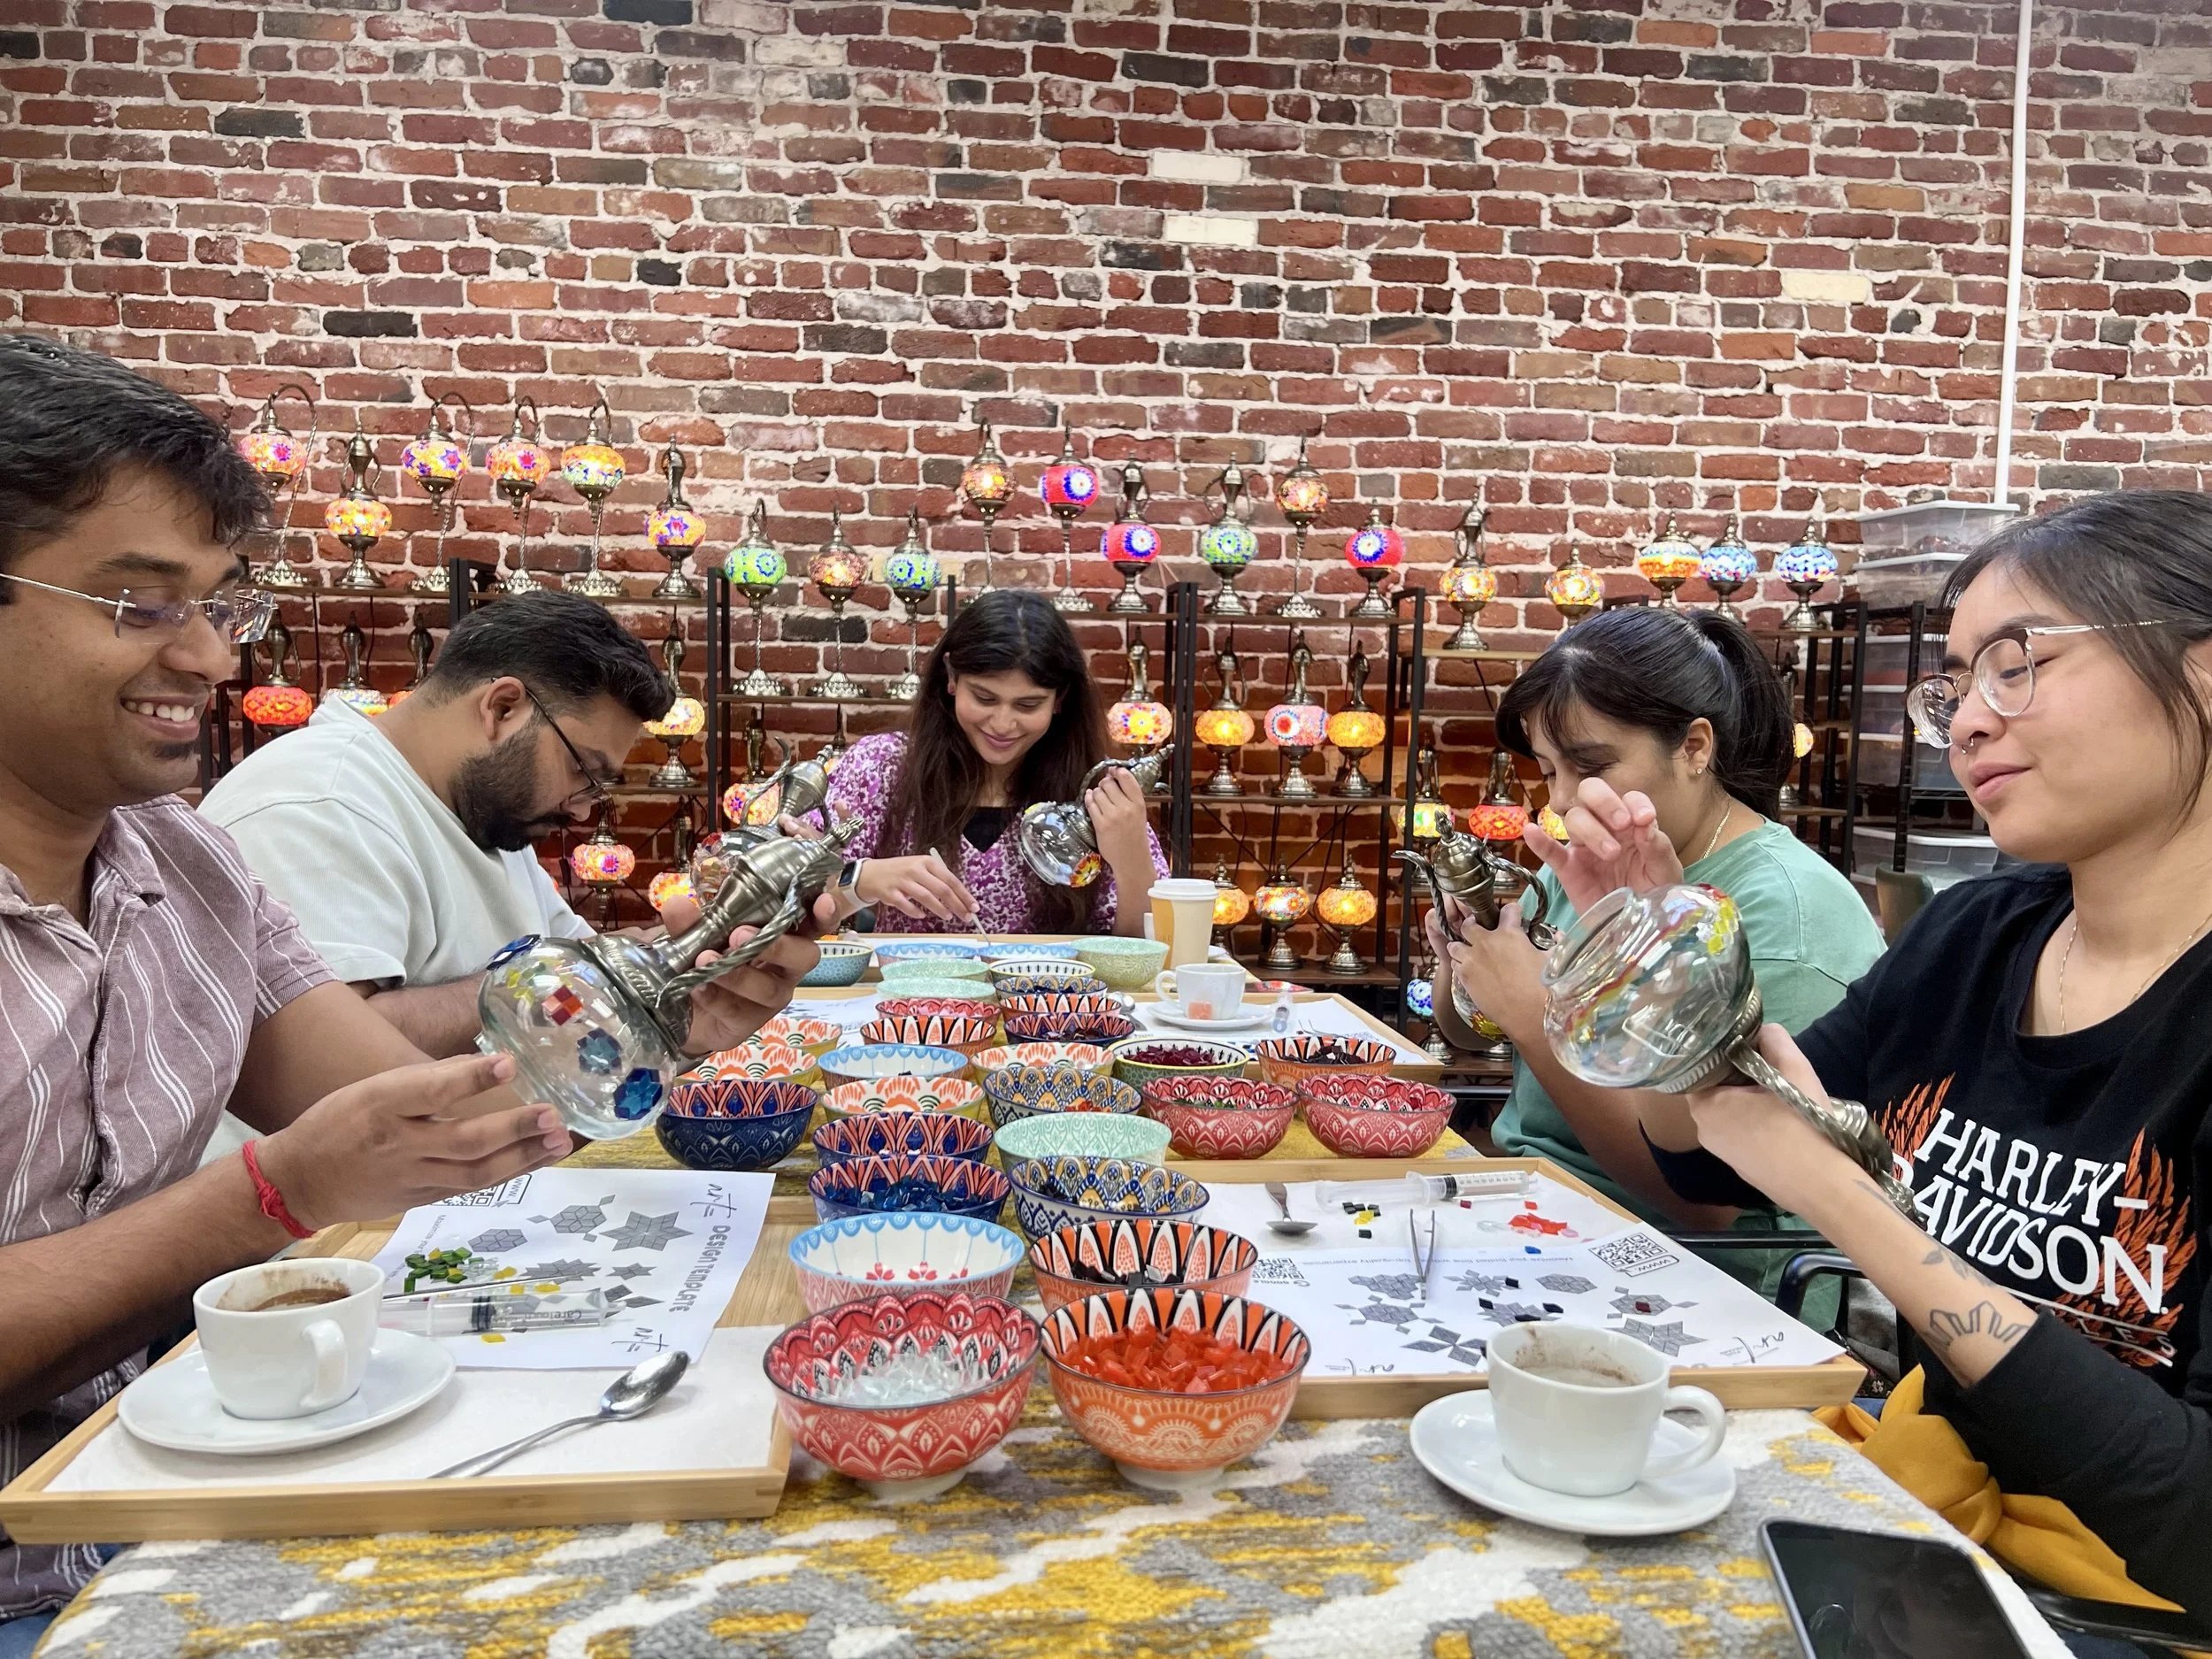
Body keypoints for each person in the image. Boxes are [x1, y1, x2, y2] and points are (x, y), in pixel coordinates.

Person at [0, 336, 821, 1647]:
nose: (212, 661)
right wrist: (271, 1194)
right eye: (143, 602)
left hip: (147, 1490)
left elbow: (406, 1107)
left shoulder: (185, 861)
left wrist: (673, 1011)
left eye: (222, 605)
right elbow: (318, 1159)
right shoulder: (307, 805)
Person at [1610, 491, 2212, 1611]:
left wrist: (1848, 1204)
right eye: (1954, 685)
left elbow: (2196, 1523)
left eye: (2017, 662)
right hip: (1920, 1527)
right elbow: (1707, 1161)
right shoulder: (1973, 936)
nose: (1967, 722)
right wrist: (1664, 963)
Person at [1426, 605, 1886, 1235]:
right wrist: (1462, 958)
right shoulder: (1586, 868)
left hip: (1699, 1265)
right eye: (1549, 770)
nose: (1561, 800)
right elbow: (1472, 1030)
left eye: (1589, 767)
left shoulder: (1787, 916)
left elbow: (1708, 1200)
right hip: (1537, 1205)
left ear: (1695, 746)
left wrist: (1533, 1016)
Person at [203, 591, 670, 1057]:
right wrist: (551, 978)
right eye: (581, 770)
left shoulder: (484, 813)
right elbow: (328, 1059)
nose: (582, 811)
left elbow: (581, 968)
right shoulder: (318, 802)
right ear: (503, 709)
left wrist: (667, 965)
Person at [810, 589, 1168, 934]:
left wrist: (1132, 856)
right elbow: (798, 899)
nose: (1002, 725)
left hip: (1050, 996)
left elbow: (1147, 954)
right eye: (984, 698)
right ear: (951, 677)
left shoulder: (1098, 789)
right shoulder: (882, 765)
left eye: (1028, 705)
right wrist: (863, 881)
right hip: (915, 996)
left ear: (1060, 699)